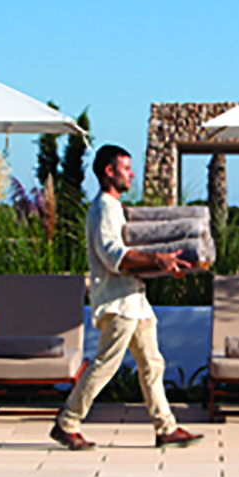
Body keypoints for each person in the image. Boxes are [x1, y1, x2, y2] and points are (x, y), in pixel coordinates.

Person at [51, 144, 203, 449]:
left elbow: (132, 256)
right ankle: (67, 423)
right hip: (119, 304)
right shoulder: (104, 208)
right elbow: (114, 258)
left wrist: (163, 265)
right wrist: (157, 259)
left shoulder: (115, 208)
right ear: (110, 171)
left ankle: (166, 428)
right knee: (106, 364)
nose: (132, 173)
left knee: (152, 364)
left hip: (136, 301)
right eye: (126, 167)